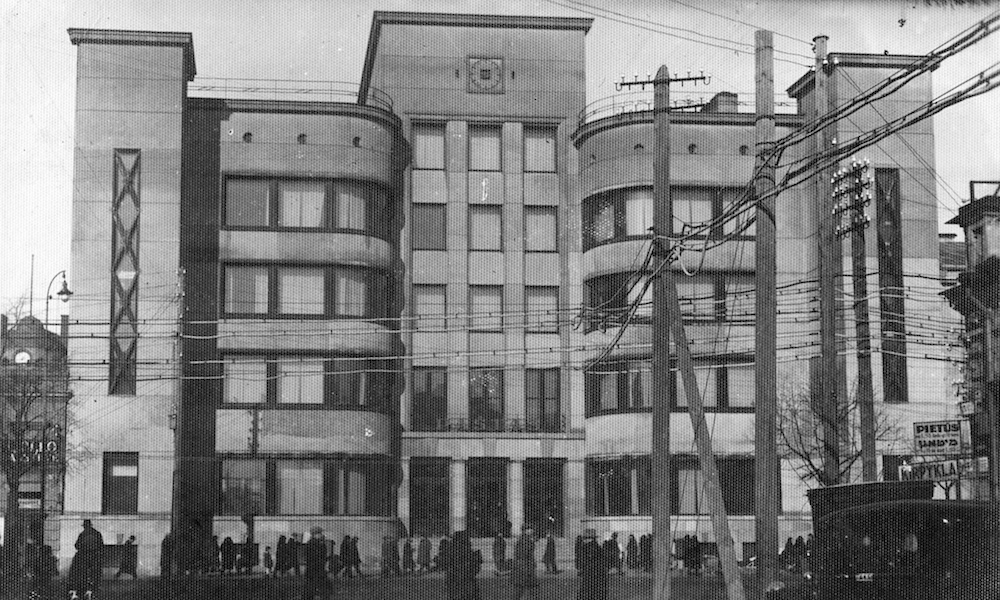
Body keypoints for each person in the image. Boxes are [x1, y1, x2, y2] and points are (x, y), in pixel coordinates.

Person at [72, 519, 104, 598]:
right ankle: (92, 589)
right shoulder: (97, 533)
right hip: (95, 557)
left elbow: (77, 545)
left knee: (82, 573)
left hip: (84, 557)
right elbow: (101, 545)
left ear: (84, 526)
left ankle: (82, 589)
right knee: (95, 574)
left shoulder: (82, 534)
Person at [446, 530, 482, 600]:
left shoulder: (451, 550)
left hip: (457, 581)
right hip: (465, 580)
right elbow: (476, 568)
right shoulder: (467, 551)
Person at [576, 529, 608, 600]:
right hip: (599, 574)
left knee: (588, 592)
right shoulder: (597, 547)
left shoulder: (587, 547)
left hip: (591, 574)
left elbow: (585, 561)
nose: (584, 540)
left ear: (589, 539)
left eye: (585, 538)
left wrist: (582, 569)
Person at [301, 526, 331, 600]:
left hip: (313, 569)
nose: (322, 535)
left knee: (311, 586)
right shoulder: (316, 544)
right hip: (316, 569)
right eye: (320, 533)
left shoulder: (312, 543)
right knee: (315, 586)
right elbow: (318, 557)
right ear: (315, 534)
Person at [511, 526, 538, 600]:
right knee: (522, 590)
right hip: (524, 569)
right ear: (525, 530)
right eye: (530, 529)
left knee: (526, 589)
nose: (532, 530)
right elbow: (523, 555)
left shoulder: (524, 539)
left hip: (523, 568)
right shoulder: (525, 541)